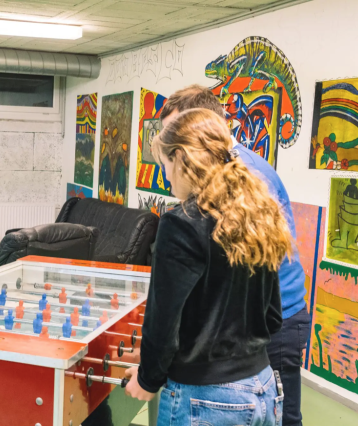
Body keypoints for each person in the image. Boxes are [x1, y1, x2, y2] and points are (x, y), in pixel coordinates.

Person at [124, 108, 291, 426]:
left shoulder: (181, 222)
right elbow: (272, 316)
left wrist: (148, 380)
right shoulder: (258, 213)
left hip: (206, 398)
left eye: (166, 165)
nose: (166, 176)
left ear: (181, 158)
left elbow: (164, 321)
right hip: (263, 384)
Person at [156, 85, 310, 426]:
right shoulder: (224, 176)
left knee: (287, 419)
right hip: (259, 318)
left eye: (177, 133)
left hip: (273, 316)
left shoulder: (242, 175)